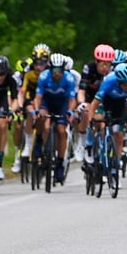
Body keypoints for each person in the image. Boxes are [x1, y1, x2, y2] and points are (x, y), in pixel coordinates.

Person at [32, 53, 79, 184]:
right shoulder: (44, 77)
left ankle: (59, 163)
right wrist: (37, 110)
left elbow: (72, 99)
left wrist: (70, 112)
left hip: (62, 104)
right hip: (47, 102)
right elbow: (38, 97)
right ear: (50, 69)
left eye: (60, 71)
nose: (57, 74)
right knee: (45, 123)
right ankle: (40, 141)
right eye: (55, 70)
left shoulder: (69, 79)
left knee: (61, 130)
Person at [87, 63, 127, 175]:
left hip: (120, 104)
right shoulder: (108, 82)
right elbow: (94, 104)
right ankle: (99, 146)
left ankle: (116, 165)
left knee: (119, 135)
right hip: (106, 102)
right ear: (118, 81)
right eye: (124, 84)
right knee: (100, 120)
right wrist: (91, 120)